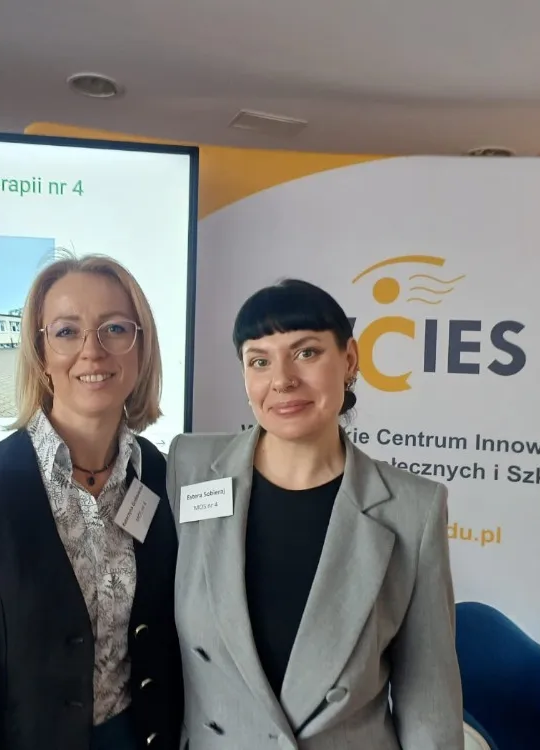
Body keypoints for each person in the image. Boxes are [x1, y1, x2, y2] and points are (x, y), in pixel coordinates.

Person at [168, 278, 464, 750]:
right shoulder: (189, 468)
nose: (282, 379)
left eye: (306, 353)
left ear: (349, 360)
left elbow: (429, 700)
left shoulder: (414, 509)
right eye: (259, 361)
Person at [0, 254, 184, 750]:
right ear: (40, 354)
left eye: (115, 329)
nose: (92, 351)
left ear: (142, 347)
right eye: (66, 332)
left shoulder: (165, 477)